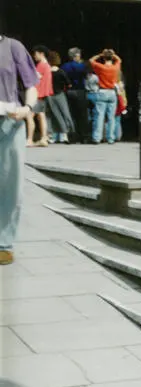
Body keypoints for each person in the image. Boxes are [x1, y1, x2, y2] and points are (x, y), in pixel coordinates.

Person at [1, 35, 39, 265]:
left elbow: (30, 85)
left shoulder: (12, 47)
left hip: (9, 122)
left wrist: (27, 108)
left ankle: (3, 242)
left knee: (9, 184)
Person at [87, 49, 121, 145]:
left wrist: (100, 55)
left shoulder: (101, 67)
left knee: (99, 116)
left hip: (102, 91)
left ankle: (97, 138)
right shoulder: (115, 67)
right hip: (112, 92)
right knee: (111, 117)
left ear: (104, 58)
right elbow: (119, 60)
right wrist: (113, 54)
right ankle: (111, 138)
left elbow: (91, 60)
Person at [45, 51, 75, 144]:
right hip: (60, 95)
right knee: (65, 114)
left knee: (50, 116)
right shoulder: (61, 72)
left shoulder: (47, 72)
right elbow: (69, 84)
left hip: (49, 95)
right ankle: (67, 134)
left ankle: (51, 136)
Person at [60, 47, 88, 142]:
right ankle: (83, 136)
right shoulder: (81, 66)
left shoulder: (64, 66)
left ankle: (72, 136)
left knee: (71, 114)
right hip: (80, 90)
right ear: (76, 56)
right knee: (82, 115)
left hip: (69, 91)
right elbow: (86, 75)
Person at [26, 45, 52, 147]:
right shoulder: (47, 65)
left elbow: (35, 78)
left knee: (29, 116)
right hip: (44, 94)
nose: (34, 56)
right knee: (41, 116)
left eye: (35, 54)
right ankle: (44, 138)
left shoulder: (41, 65)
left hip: (37, 94)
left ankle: (29, 139)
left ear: (41, 54)